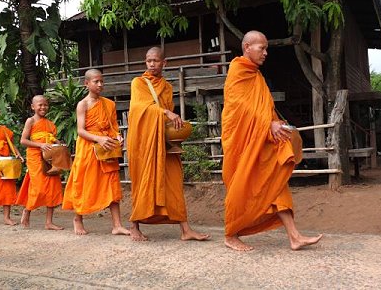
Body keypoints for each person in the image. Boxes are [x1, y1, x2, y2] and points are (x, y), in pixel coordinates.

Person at [221, 30, 323, 251]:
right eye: (262, 48)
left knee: (275, 183)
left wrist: (276, 124)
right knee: (241, 186)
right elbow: (240, 106)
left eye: (266, 48)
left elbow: (264, 107)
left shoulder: (257, 75)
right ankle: (230, 234)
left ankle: (294, 237)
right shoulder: (237, 70)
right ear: (247, 47)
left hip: (260, 138)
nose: (266, 53)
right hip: (242, 140)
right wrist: (267, 124)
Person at [127, 47, 209, 241]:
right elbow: (139, 108)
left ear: (165, 63)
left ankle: (185, 229)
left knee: (173, 181)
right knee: (142, 181)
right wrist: (165, 113)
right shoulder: (138, 83)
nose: (152, 64)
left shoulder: (167, 86)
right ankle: (134, 227)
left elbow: (166, 113)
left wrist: (173, 125)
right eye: (148, 61)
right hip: (143, 141)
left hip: (162, 139)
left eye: (155, 61)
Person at [62, 69, 129, 236]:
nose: (100, 85)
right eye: (96, 82)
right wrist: (98, 139)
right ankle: (78, 219)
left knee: (112, 183)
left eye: (101, 82)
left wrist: (118, 136)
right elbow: (81, 131)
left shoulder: (109, 104)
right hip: (88, 148)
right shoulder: (82, 104)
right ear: (87, 84)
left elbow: (113, 127)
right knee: (84, 182)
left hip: (107, 148)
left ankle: (117, 225)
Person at [15, 95, 64, 230]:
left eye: (45, 105)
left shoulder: (50, 124)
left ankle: (49, 222)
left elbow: (53, 139)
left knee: (53, 187)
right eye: (40, 105)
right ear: (33, 107)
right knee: (38, 186)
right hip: (35, 156)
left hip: (49, 158)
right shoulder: (30, 121)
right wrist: (40, 145)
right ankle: (27, 210)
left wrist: (58, 144)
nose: (43, 107)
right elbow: (23, 141)